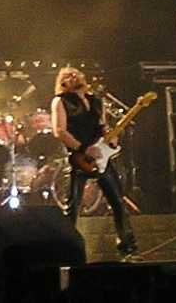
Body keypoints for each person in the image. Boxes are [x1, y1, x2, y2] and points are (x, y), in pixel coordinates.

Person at [50, 66, 139, 260]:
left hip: (101, 157)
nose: (74, 77)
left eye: (76, 74)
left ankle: (129, 249)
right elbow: (59, 131)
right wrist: (83, 148)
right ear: (63, 82)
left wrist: (111, 138)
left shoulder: (96, 101)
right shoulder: (60, 101)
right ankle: (66, 252)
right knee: (72, 207)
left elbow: (102, 126)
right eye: (68, 76)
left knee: (118, 202)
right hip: (77, 158)